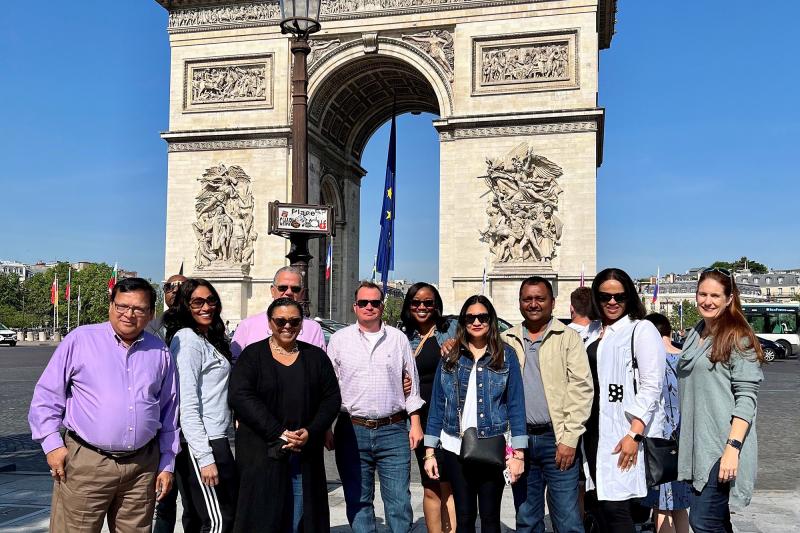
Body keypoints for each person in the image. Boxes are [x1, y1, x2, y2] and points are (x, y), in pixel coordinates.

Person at [28, 277, 179, 532]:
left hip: (141, 467)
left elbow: (169, 411)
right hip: (87, 463)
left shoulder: (160, 352)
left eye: (139, 309)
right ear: (110, 305)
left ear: (152, 313)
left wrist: (167, 462)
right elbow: (46, 397)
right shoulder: (79, 340)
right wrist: (52, 445)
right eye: (122, 306)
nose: (129, 314)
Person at [229, 297, 341, 532]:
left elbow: (331, 399)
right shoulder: (252, 355)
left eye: (294, 321)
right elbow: (241, 396)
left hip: (303, 451)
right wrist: (278, 432)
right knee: (263, 517)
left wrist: (311, 431)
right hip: (261, 451)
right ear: (270, 323)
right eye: (280, 321)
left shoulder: (316, 357)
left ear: (302, 324)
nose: (287, 326)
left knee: (300, 517)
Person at [423, 294, 528, 533]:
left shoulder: (506, 355)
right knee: (464, 516)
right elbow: (438, 405)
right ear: (463, 322)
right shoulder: (450, 357)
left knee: (491, 518)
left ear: (491, 320)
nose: (477, 322)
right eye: (470, 317)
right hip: (453, 445)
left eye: (482, 317)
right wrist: (430, 452)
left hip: (492, 444)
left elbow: (516, 405)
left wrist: (518, 455)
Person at [327, 281, 425, 533]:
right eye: (363, 303)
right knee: (357, 500)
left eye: (374, 303)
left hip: (393, 429)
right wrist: (327, 427)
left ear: (382, 306)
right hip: (351, 429)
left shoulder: (398, 339)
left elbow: (411, 384)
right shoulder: (338, 340)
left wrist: (415, 423)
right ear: (354, 307)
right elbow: (329, 388)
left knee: (399, 503)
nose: (369, 307)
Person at [502, 277, 594, 533]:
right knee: (527, 520)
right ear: (519, 303)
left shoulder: (568, 338)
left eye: (540, 298)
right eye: (527, 299)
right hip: (520, 443)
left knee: (567, 521)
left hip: (558, 440)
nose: (533, 304)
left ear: (553, 303)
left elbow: (582, 389)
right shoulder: (505, 339)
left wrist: (570, 438)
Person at [677, 268, 764, 533]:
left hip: (721, 446)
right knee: (715, 521)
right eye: (702, 294)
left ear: (729, 299)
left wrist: (732, 449)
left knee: (703, 521)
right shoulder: (696, 333)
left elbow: (747, 398)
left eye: (715, 295)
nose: (707, 301)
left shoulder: (738, 337)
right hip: (698, 444)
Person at [583, 268, 665, 532]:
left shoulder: (641, 329)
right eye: (605, 296)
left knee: (617, 509)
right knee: (599, 507)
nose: (612, 302)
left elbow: (652, 386)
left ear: (629, 297)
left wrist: (635, 434)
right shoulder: (591, 332)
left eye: (619, 296)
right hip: (592, 431)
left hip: (623, 431)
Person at [164, 279, 237, 532]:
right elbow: (187, 405)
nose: (207, 307)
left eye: (211, 300)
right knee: (218, 521)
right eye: (198, 301)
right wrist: (205, 458)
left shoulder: (204, 338)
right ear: (185, 305)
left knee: (198, 519)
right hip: (202, 443)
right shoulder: (188, 341)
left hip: (211, 438)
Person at [400, 282, 458, 533]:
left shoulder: (451, 328)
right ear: (408, 306)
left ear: (436, 305)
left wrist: (459, 344)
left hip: (449, 418)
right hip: (419, 419)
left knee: (449, 483)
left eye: (428, 302)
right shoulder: (402, 334)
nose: (422, 307)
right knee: (430, 481)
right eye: (416, 303)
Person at [640, 313, 690, 533]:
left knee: (661, 505)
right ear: (669, 332)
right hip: (684, 439)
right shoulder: (687, 359)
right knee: (680, 505)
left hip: (658, 441)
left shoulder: (651, 362)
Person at [149, 273, 186, 533]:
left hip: (192, 426)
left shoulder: (206, 328)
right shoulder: (150, 327)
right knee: (162, 499)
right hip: (159, 425)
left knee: (196, 501)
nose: (174, 291)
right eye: (169, 287)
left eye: (181, 287)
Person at [231, 266, 326, 360]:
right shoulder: (247, 326)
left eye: (295, 289)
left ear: (301, 293)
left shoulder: (314, 329)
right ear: (272, 290)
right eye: (283, 288)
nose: (289, 292)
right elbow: (235, 364)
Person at [146, 273, 187, 342]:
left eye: (182, 286)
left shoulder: (204, 325)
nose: (175, 290)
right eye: (169, 287)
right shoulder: (148, 329)